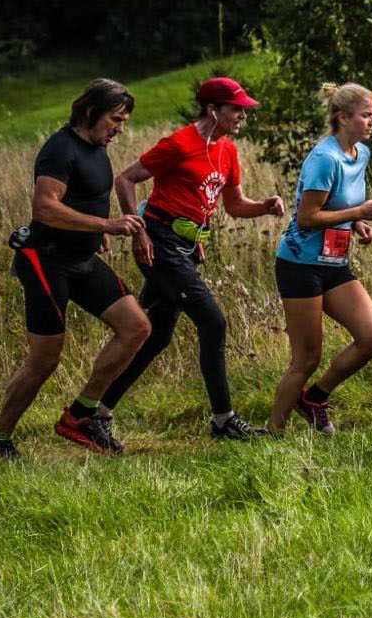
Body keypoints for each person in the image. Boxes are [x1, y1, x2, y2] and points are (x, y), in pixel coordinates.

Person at [104, 77, 286, 440]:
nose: (242, 117)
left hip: (186, 248)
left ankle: (95, 411)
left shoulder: (227, 150)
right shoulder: (178, 144)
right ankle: (223, 420)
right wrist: (137, 231)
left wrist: (264, 206)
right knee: (214, 322)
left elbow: (234, 206)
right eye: (236, 110)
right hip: (159, 242)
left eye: (244, 111)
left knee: (154, 337)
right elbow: (125, 180)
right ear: (212, 109)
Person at [0, 80, 152, 458]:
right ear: (91, 112)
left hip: (81, 258)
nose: (120, 129)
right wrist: (106, 225)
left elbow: (85, 199)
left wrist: (96, 234)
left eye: (123, 121)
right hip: (45, 259)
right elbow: (44, 207)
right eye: (116, 119)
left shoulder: (97, 148)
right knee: (44, 359)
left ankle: (80, 415)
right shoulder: (60, 148)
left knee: (136, 326)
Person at [270, 84, 372, 434]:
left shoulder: (360, 154)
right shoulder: (325, 158)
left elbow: (341, 208)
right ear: (342, 117)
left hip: (334, 264)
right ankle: (274, 431)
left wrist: (359, 223)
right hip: (300, 263)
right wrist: (358, 211)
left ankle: (316, 398)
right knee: (307, 357)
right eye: (366, 115)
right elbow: (307, 218)